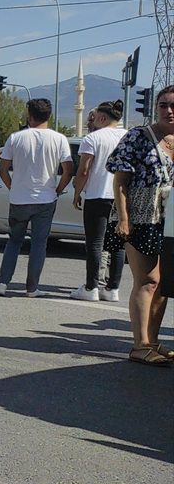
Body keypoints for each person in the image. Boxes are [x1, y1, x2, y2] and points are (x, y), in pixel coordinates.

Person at [105, 85, 174, 365]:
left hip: (170, 221)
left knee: (164, 284)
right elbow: (120, 181)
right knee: (148, 280)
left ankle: (153, 342)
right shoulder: (139, 136)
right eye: (163, 105)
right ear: (155, 108)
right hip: (141, 217)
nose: (168, 110)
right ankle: (139, 345)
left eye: (173, 106)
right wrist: (124, 219)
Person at [0, 98, 73, 298]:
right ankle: (32, 288)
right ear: (49, 116)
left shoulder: (16, 138)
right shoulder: (59, 139)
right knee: (38, 244)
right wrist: (57, 190)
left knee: (14, 241)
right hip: (45, 199)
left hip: (19, 199)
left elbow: (3, 168)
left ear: (30, 115)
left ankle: (2, 283)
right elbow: (69, 170)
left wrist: (13, 187)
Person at [70, 100, 127, 302]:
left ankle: (91, 287)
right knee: (118, 244)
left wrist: (77, 192)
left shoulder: (92, 138)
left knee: (95, 242)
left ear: (102, 118)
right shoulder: (128, 136)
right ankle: (112, 288)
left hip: (97, 195)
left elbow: (84, 169)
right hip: (122, 197)